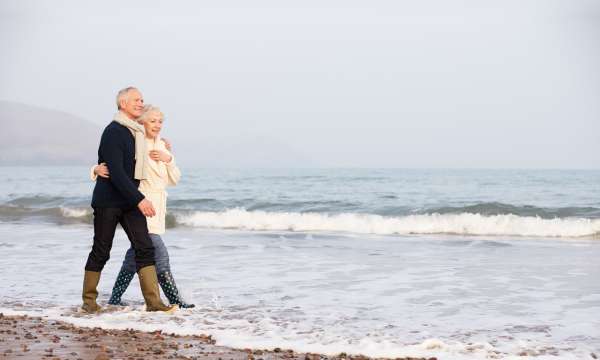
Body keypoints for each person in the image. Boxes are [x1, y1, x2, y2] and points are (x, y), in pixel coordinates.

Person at [82, 87, 177, 314]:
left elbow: (149, 139)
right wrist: (140, 199)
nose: (140, 103)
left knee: (144, 248)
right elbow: (115, 171)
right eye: (136, 99)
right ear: (123, 103)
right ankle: (89, 302)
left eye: (142, 99)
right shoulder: (114, 131)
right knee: (101, 250)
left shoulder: (137, 132)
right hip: (109, 200)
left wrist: (164, 146)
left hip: (129, 200)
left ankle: (154, 304)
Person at [92, 105, 194, 309]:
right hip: (140, 205)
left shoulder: (163, 146)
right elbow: (116, 165)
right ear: (142, 122)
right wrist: (95, 169)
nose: (157, 125)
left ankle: (114, 298)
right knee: (159, 254)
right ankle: (175, 301)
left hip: (158, 207)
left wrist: (169, 159)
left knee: (136, 254)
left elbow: (175, 179)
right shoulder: (136, 144)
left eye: (160, 121)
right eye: (152, 121)